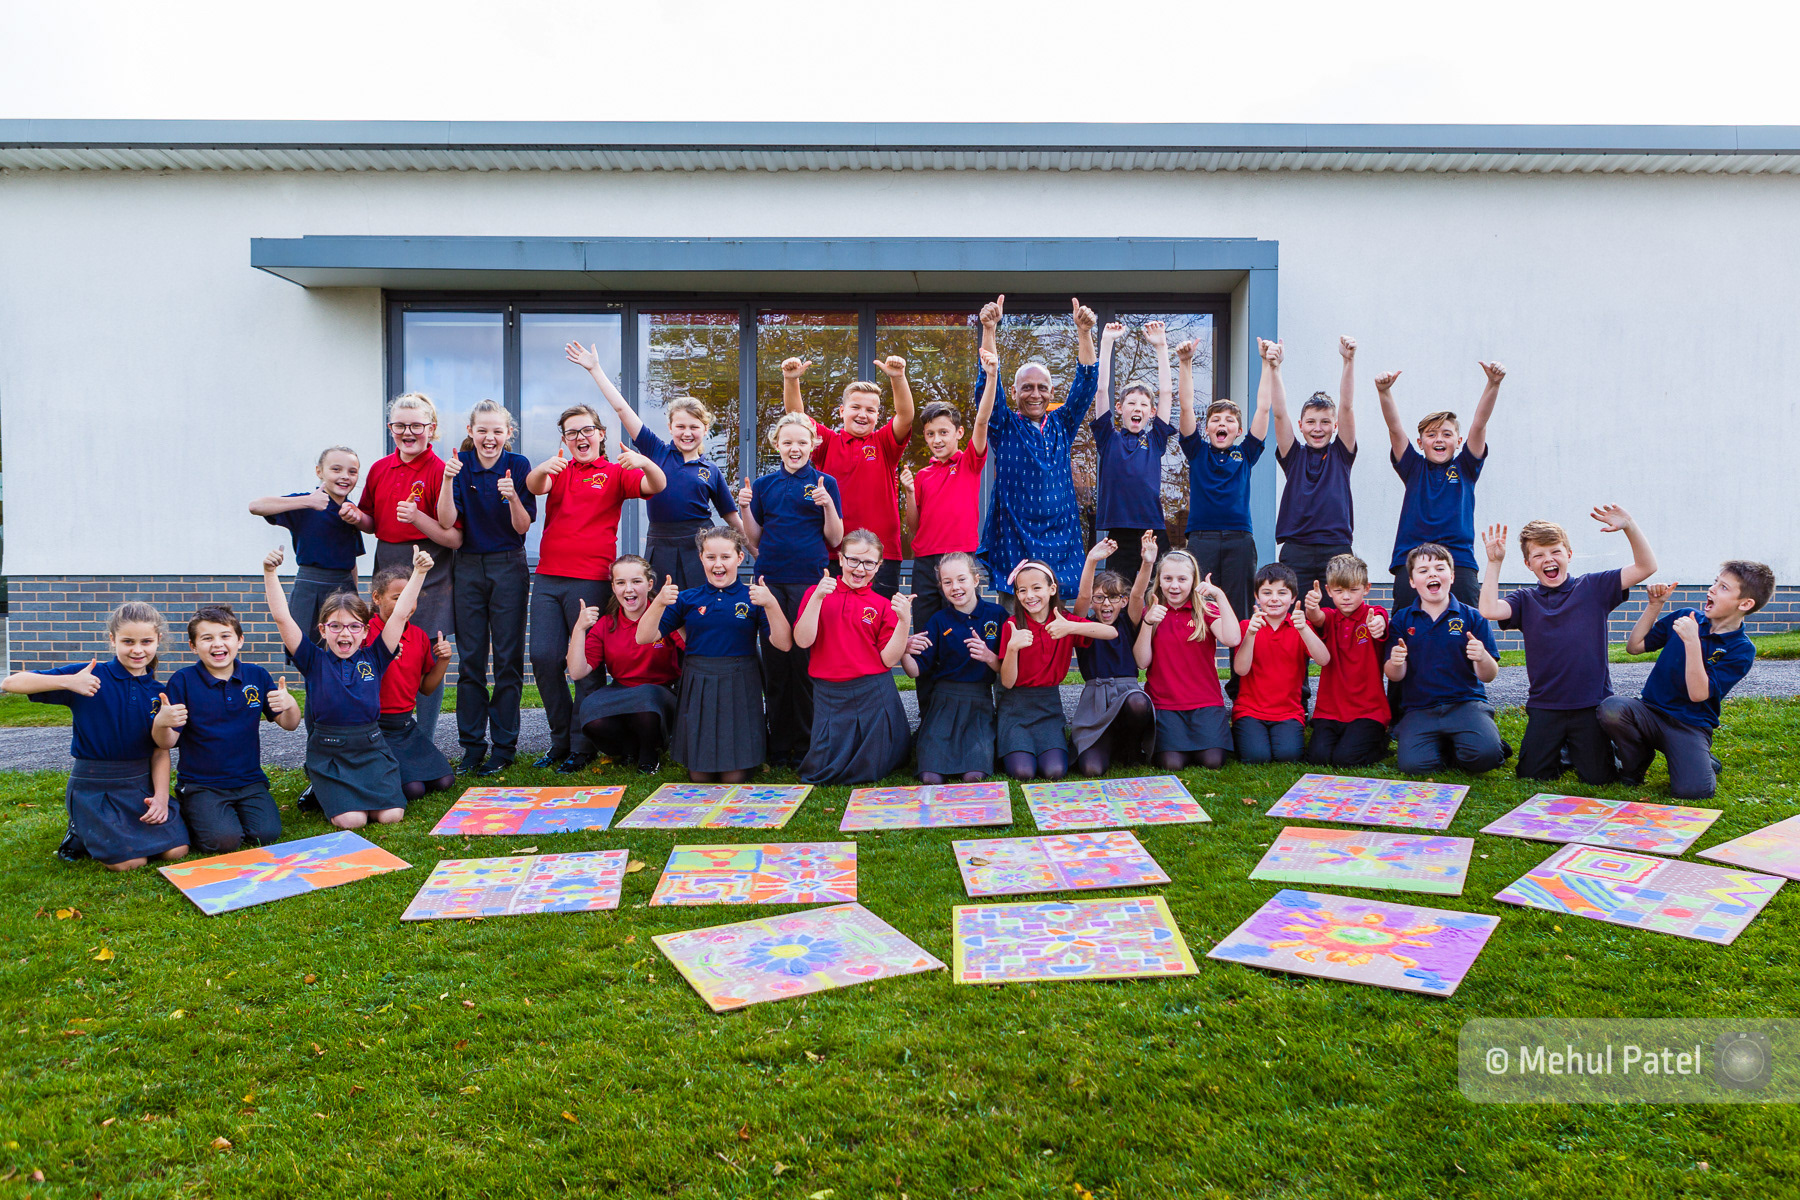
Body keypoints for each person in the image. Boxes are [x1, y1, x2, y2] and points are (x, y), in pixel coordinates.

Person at [526, 406, 667, 773]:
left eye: (586, 430)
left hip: (589, 578)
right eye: (571, 433)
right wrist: (543, 468)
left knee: (587, 669)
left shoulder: (615, 473)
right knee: (543, 657)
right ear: (564, 439)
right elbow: (533, 486)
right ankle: (559, 742)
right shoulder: (558, 470)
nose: (580, 438)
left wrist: (644, 462)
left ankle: (582, 746)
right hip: (546, 577)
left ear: (601, 434)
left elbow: (656, 485)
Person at [1479, 505, 1657, 784]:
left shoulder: (1593, 587)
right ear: (1528, 564)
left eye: (1555, 552)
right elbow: (1489, 609)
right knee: (1532, 775)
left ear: (1569, 555)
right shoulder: (1525, 600)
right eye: (1538, 555)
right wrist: (1494, 562)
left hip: (1589, 705)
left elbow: (1647, 567)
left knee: (1599, 778)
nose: (1548, 559)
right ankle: (1564, 750)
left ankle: (1595, 749)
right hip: (1545, 706)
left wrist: (1629, 526)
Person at [4, 603, 186, 870]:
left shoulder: (160, 691)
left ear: (158, 640)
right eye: (128, 641)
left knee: (176, 851)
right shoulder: (87, 676)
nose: (137, 649)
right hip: (94, 786)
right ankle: (79, 827)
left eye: (146, 641)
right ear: (112, 640)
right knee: (131, 863)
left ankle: (106, 828)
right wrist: (66, 682)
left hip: (140, 786)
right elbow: (10, 683)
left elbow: (160, 752)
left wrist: (160, 797)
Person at [264, 544, 424, 828]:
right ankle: (323, 787)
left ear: (364, 631)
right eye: (335, 626)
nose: (344, 632)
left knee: (391, 815)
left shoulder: (375, 656)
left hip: (371, 748)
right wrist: (270, 572)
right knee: (353, 821)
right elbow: (282, 617)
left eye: (353, 626)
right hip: (330, 753)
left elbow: (399, 614)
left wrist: (420, 572)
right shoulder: (313, 659)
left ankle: (346, 795)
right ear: (323, 630)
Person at [565, 341, 744, 589]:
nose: (687, 433)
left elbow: (731, 517)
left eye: (694, 427)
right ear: (670, 428)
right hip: (660, 545)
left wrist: (757, 551)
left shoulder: (711, 471)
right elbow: (621, 408)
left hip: (699, 545)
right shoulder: (656, 451)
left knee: (698, 611)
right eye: (680, 426)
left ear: (704, 429)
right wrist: (595, 369)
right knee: (663, 612)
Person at [1599, 563, 1773, 800]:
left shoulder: (1741, 649)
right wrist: (1654, 606)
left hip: (1689, 725)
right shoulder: (1686, 616)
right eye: (1715, 582)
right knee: (1612, 708)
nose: (1711, 589)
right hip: (1650, 712)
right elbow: (1634, 647)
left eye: (1723, 587)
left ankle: (1700, 759)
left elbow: (1698, 694)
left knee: (1693, 792)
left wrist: (1692, 642)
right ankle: (1635, 764)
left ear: (1744, 604)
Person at [640, 527, 793, 783]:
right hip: (699, 681)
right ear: (701, 558)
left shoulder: (754, 597)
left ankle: (748, 756)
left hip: (740, 681)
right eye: (711, 557)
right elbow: (643, 637)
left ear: (740, 558)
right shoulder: (688, 598)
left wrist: (771, 603)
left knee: (733, 778)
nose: (718, 564)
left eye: (725, 556)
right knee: (700, 777)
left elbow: (784, 644)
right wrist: (658, 603)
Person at [348, 394, 462, 738]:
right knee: (382, 645)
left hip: (430, 567)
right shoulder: (380, 468)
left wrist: (418, 518)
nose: (407, 432)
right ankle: (382, 732)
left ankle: (423, 738)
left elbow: (454, 535)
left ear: (432, 428)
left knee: (424, 649)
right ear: (390, 428)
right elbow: (372, 522)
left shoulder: (441, 471)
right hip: (387, 564)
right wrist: (357, 517)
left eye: (416, 425)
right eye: (400, 425)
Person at [737, 413, 844, 768]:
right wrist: (743, 508)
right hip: (771, 583)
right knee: (776, 662)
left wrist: (827, 505)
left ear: (814, 443)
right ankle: (780, 744)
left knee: (806, 663)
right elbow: (753, 538)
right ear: (777, 445)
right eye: (788, 442)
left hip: (809, 584)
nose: (795, 448)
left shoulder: (825, 482)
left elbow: (835, 538)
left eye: (802, 442)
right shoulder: (766, 486)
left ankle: (810, 741)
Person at [975, 295, 1100, 599]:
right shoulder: (1003, 425)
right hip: (1015, 543)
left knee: (1058, 634)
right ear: (1014, 391)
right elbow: (986, 385)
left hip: (1060, 544)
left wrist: (1084, 333)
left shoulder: (1061, 424)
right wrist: (989, 329)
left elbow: (1086, 384)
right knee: (1014, 633)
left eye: (1042, 387)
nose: (1035, 394)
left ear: (1051, 391)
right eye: (1027, 387)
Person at [435, 399, 535, 776]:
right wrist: (447, 479)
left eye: (497, 430)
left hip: (509, 563)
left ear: (508, 433)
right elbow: (447, 521)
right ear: (471, 432)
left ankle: (504, 747)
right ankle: (472, 747)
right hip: (468, 567)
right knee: (471, 660)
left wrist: (511, 497)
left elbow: (523, 527)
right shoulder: (460, 468)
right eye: (483, 430)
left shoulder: (519, 465)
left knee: (507, 659)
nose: (489, 437)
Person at [153, 605, 301, 853]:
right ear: (193, 646)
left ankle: (224, 816)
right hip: (202, 784)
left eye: (225, 636)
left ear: (239, 640)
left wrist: (290, 705)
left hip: (249, 780)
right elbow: (165, 742)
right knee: (224, 841)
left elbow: (290, 724)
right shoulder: (183, 681)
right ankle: (192, 811)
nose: (217, 644)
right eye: (207, 638)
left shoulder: (256, 675)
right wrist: (161, 722)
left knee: (266, 835)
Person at [901, 343, 999, 712]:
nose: (937, 439)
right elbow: (913, 527)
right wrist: (910, 493)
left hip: (960, 560)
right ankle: (930, 715)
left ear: (957, 432)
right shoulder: (923, 475)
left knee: (964, 634)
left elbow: (983, 420)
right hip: (926, 563)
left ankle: (973, 709)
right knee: (927, 637)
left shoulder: (969, 462)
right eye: (930, 434)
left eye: (944, 432)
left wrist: (991, 377)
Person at [1377, 362, 1506, 610]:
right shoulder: (1413, 467)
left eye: (1446, 434)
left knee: (1468, 630)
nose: (1439, 439)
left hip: (1459, 560)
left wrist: (1493, 384)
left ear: (1458, 441)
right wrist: (1384, 392)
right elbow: (1394, 428)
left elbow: (1479, 424)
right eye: (1431, 434)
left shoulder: (1466, 467)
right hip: (1411, 560)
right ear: (1420, 442)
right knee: (1406, 630)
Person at [784, 355, 914, 597]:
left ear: (877, 415)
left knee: (880, 624)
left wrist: (898, 378)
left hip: (881, 554)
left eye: (870, 410)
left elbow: (905, 417)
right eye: (855, 407)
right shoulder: (826, 443)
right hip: (834, 552)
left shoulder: (884, 443)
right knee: (834, 623)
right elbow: (797, 419)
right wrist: (791, 381)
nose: (862, 414)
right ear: (842, 411)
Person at [794, 530, 914, 784]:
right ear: (840, 558)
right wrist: (817, 598)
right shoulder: (815, 594)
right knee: (822, 769)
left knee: (874, 768)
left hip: (873, 692)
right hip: (830, 695)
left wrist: (904, 622)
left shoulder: (882, 604)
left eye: (869, 563)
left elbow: (888, 660)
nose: (860, 569)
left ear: (879, 565)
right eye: (854, 560)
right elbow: (803, 641)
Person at [1383, 543, 1506, 775]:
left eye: (1440, 568)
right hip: (1420, 708)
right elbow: (1394, 674)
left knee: (1485, 757)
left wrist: (1481, 657)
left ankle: (1477, 737)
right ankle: (1447, 743)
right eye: (1423, 570)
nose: (1432, 574)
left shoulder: (1473, 617)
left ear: (1452, 575)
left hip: (1465, 704)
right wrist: (1396, 662)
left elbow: (1488, 675)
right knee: (1414, 766)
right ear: (1411, 581)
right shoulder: (1401, 620)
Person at [1176, 336, 1271, 623]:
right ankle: (1196, 668)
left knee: (1238, 610)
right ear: (1206, 429)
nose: (1222, 424)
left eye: (1229, 420)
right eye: (1216, 419)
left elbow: (1264, 409)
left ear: (1239, 430)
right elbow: (1185, 407)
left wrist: (1267, 363)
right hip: (1201, 538)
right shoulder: (1196, 451)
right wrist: (1185, 362)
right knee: (1195, 608)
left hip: (1239, 539)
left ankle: (1241, 669)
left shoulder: (1245, 454)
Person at [997, 559, 1118, 781]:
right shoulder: (1012, 626)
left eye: (1036, 588)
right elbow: (1007, 682)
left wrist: (1072, 627)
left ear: (1052, 589)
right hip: (1016, 708)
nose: (1029, 596)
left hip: (1049, 707)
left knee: (1055, 771)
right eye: (1022, 590)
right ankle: (1011, 746)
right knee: (1022, 773)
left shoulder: (1065, 622)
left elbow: (1111, 633)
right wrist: (1013, 648)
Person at [248, 446, 366, 659]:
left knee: (345, 653)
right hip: (309, 586)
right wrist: (307, 501)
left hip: (343, 587)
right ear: (319, 472)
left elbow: (352, 561)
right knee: (307, 655)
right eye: (336, 469)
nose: (344, 476)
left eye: (352, 471)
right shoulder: (306, 502)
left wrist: (355, 595)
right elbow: (256, 506)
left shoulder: (351, 511)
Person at [569, 554, 683, 775]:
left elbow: (692, 647)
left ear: (649, 584)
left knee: (646, 700)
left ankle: (649, 755)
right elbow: (577, 671)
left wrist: (673, 611)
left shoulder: (665, 615)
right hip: (622, 689)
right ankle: (629, 750)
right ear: (613, 587)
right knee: (591, 710)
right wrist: (579, 629)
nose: (628, 589)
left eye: (636, 581)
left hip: (661, 692)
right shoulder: (607, 623)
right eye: (621, 583)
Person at [903, 551, 1007, 783]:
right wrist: (903, 650)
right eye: (947, 582)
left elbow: (1006, 668)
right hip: (943, 702)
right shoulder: (938, 620)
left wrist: (989, 656)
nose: (955, 587)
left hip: (979, 702)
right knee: (930, 777)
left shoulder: (997, 615)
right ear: (941, 586)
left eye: (961, 579)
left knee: (974, 776)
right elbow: (914, 671)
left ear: (975, 580)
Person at [1272, 336, 1359, 604]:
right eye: (1311, 422)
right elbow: (1278, 413)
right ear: (1301, 425)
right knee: (1295, 616)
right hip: (1296, 549)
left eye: (1324, 422)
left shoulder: (1341, 454)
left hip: (1337, 549)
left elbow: (1346, 406)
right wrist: (1275, 368)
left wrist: (1348, 361)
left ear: (1334, 426)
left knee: (1337, 618)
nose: (1317, 428)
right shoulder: (1293, 455)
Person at [1135, 550, 1240, 771]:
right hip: (1165, 704)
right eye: (1168, 578)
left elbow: (1232, 639)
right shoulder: (1152, 612)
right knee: (1171, 763)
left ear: (1193, 581)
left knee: (1213, 761)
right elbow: (1142, 662)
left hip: (1205, 703)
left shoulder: (1205, 610)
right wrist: (1147, 623)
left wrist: (1219, 596)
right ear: (1159, 581)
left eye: (1182, 579)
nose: (1175, 586)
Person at [1091, 321, 1175, 579]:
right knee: (1120, 595)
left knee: (1157, 593)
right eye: (1131, 403)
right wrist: (1106, 343)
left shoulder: (1156, 439)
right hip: (1120, 533)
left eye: (1143, 404)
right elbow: (1101, 389)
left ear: (1151, 412)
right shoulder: (1108, 438)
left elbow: (1167, 391)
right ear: (1119, 408)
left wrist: (1161, 346)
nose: (1136, 408)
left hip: (1152, 531)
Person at [1068, 534, 1157, 777]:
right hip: (1095, 702)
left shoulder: (1129, 622)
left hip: (1128, 696)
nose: (1106, 603)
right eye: (1100, 598)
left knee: (1138, 703)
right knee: (1091, 769)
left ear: (1123, 601)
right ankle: (1108, 745)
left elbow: (1139, 594)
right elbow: (1083, 597)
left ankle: (1131, 746)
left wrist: (1147, 563)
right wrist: (1091, 561)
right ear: (1093, 603)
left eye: (1114, 597)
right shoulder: (1082, 625)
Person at [366, 566, 456, 803]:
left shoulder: (418, 636)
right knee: (414, 789)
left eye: (411, 598)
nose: (406, 605)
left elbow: (426, 688)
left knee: (445, 781)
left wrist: (444, 660)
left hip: (405, 726)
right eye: (397, 598)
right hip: (375, 727)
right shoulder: (365, 633)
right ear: (376, 597)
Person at [1232, 564, 1331, 764]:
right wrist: (1251, 634)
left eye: (1282, 592)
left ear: (1293, 597)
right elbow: (1241, 669)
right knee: (1256, 757)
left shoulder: (1301, 627)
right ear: (1257, 597)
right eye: (1267, 593)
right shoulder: (1246, 626)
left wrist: (1303, 629)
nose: (1274, 598)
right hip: (1250, 710)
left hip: (1288, 712)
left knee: (1288, 756)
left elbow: (1324, 660)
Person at [1303, 555, 1392, 767]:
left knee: (1346, 759)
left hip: (1368, 710)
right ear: (1328, 590)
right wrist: (1311, 606)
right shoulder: (1330, 616)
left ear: (1366, 588)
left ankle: (1381, 742)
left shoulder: (1373, 613)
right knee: (1318, 758)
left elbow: (1380, 618)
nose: (1346, 597)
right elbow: (1316, 617)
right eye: (1339, 591)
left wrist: (1377, 625)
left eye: (1353, 590)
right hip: (1330, 710)